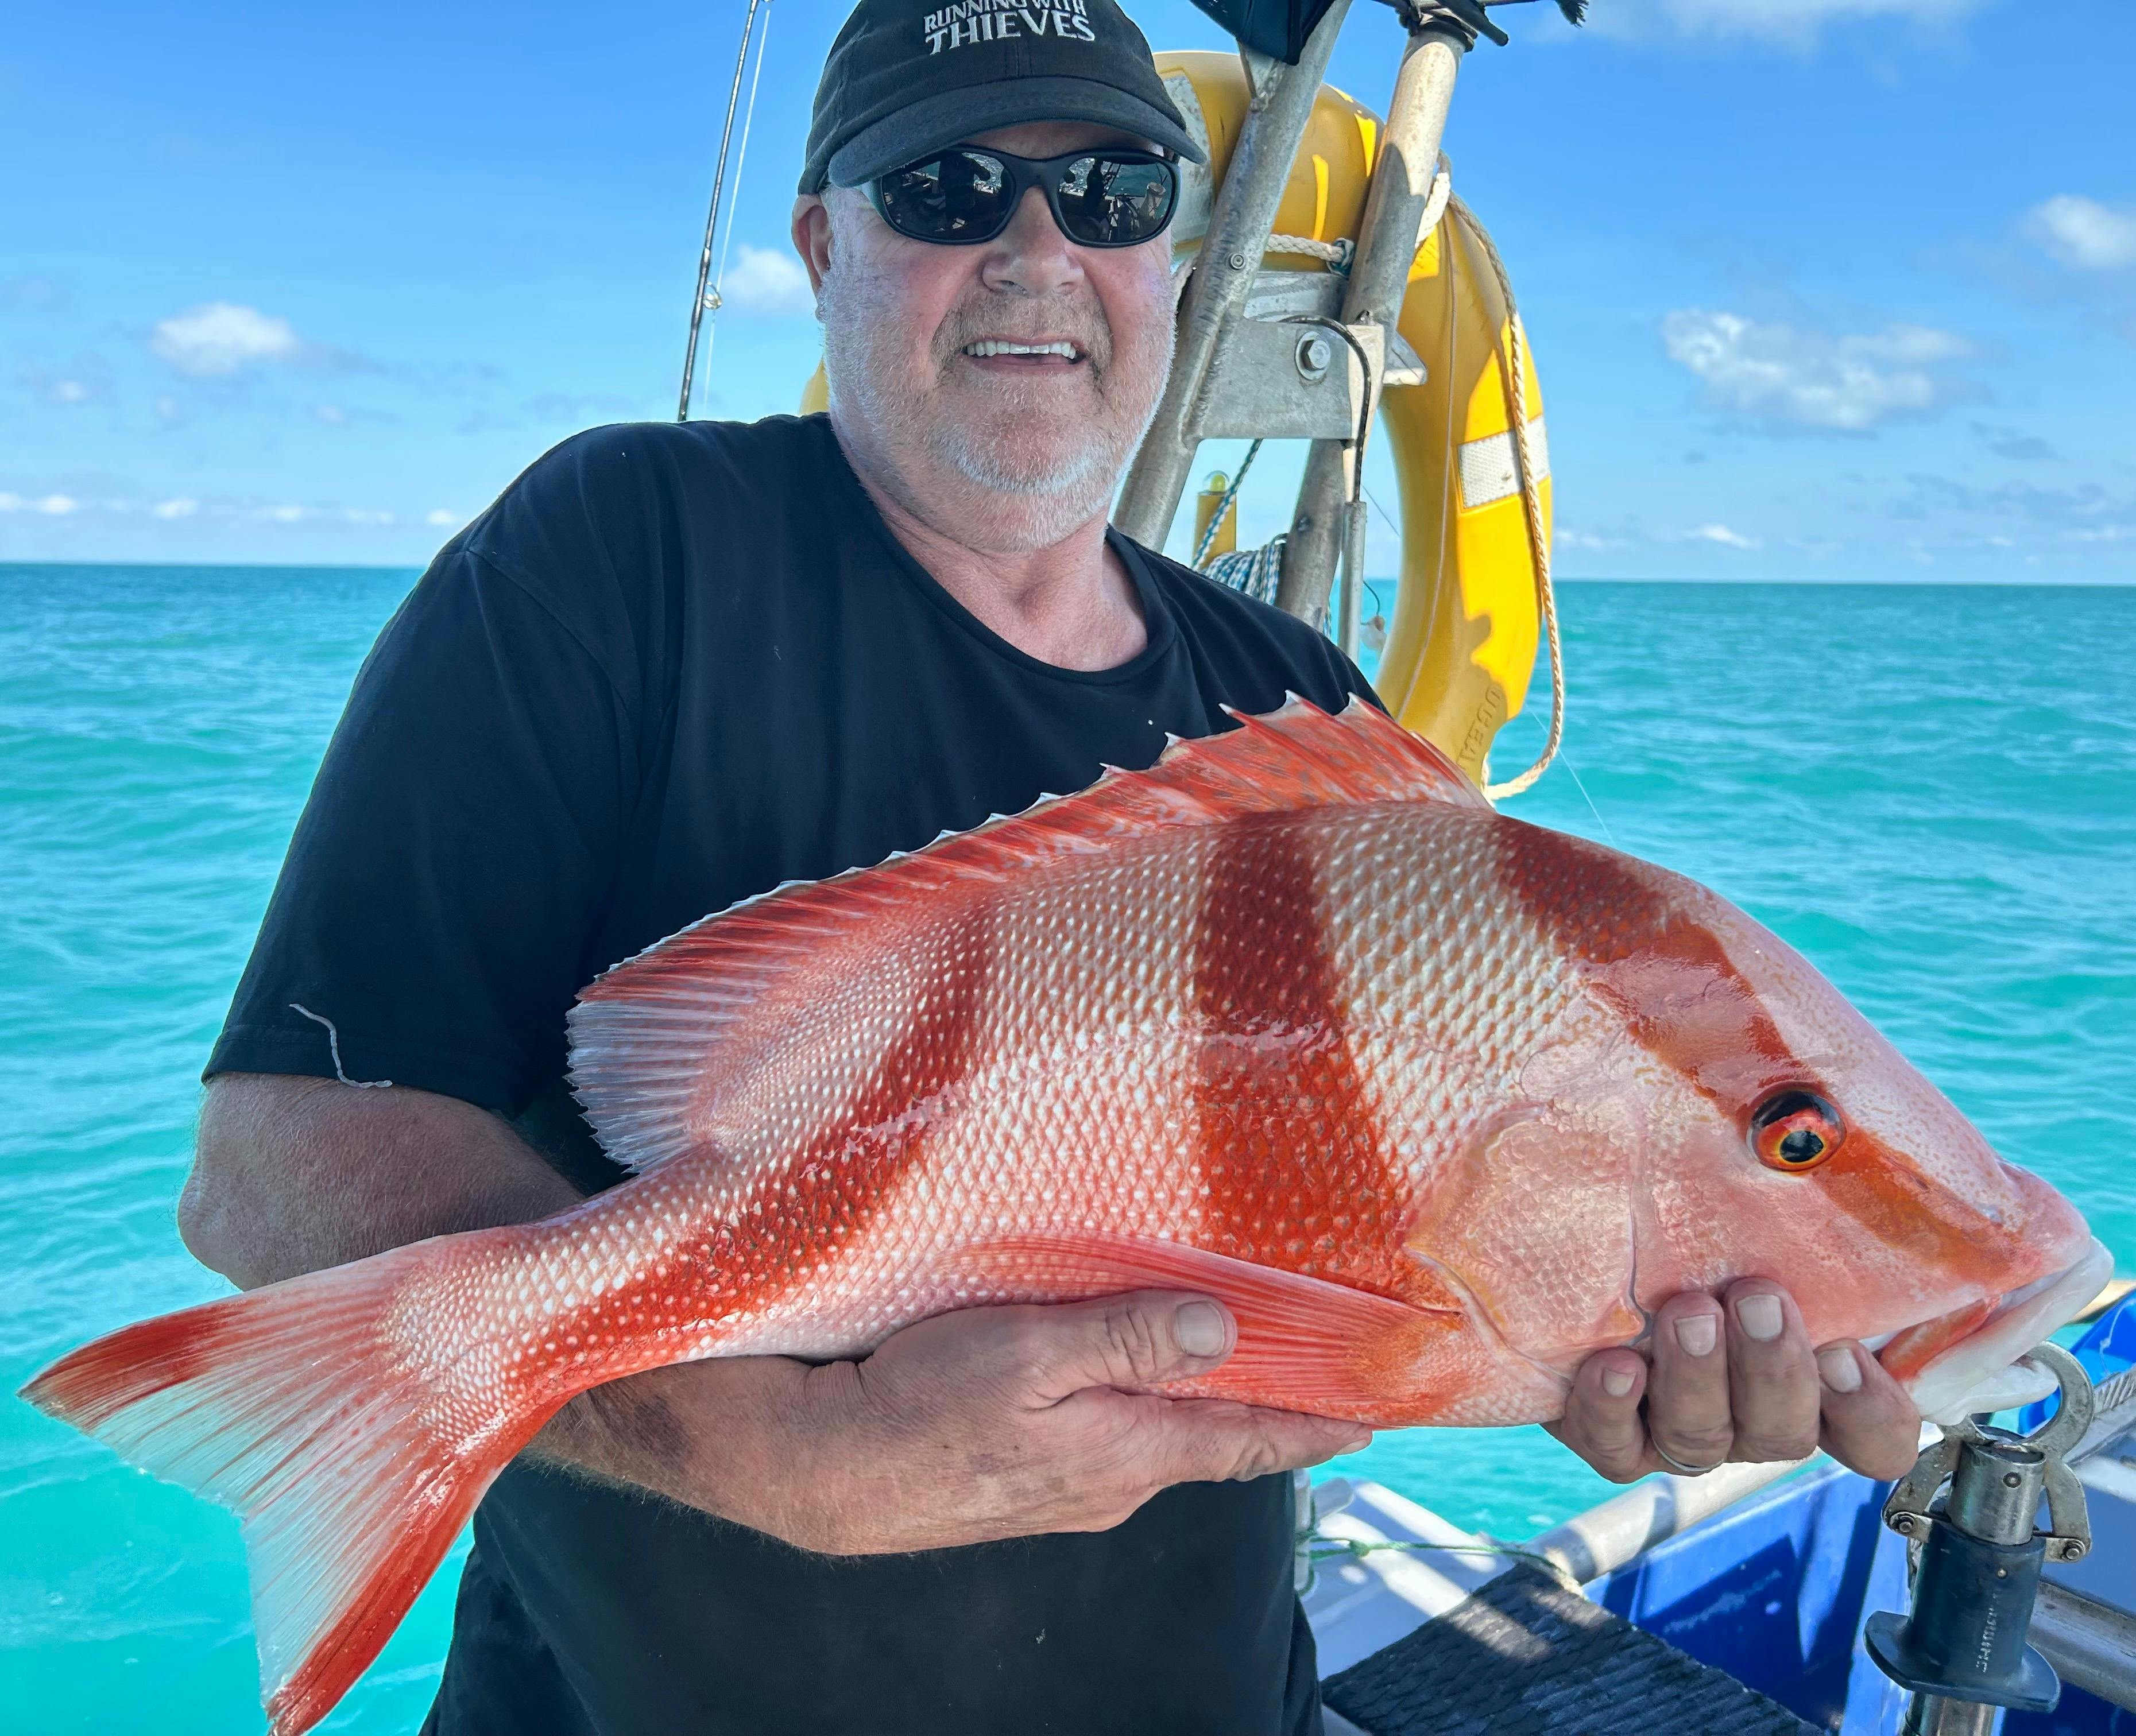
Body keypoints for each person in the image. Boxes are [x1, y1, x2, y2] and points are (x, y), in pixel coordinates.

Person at [177, 1, 1922, 1731]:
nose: (1038, 251)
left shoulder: (1297, 697)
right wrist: (762, 1455)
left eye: (1111, 191)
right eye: (947, 189)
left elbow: (1408, 1255)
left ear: (1169, 248)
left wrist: (1596, 1348)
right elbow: (272, 1168)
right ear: (820, 243)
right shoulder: (625, 553)